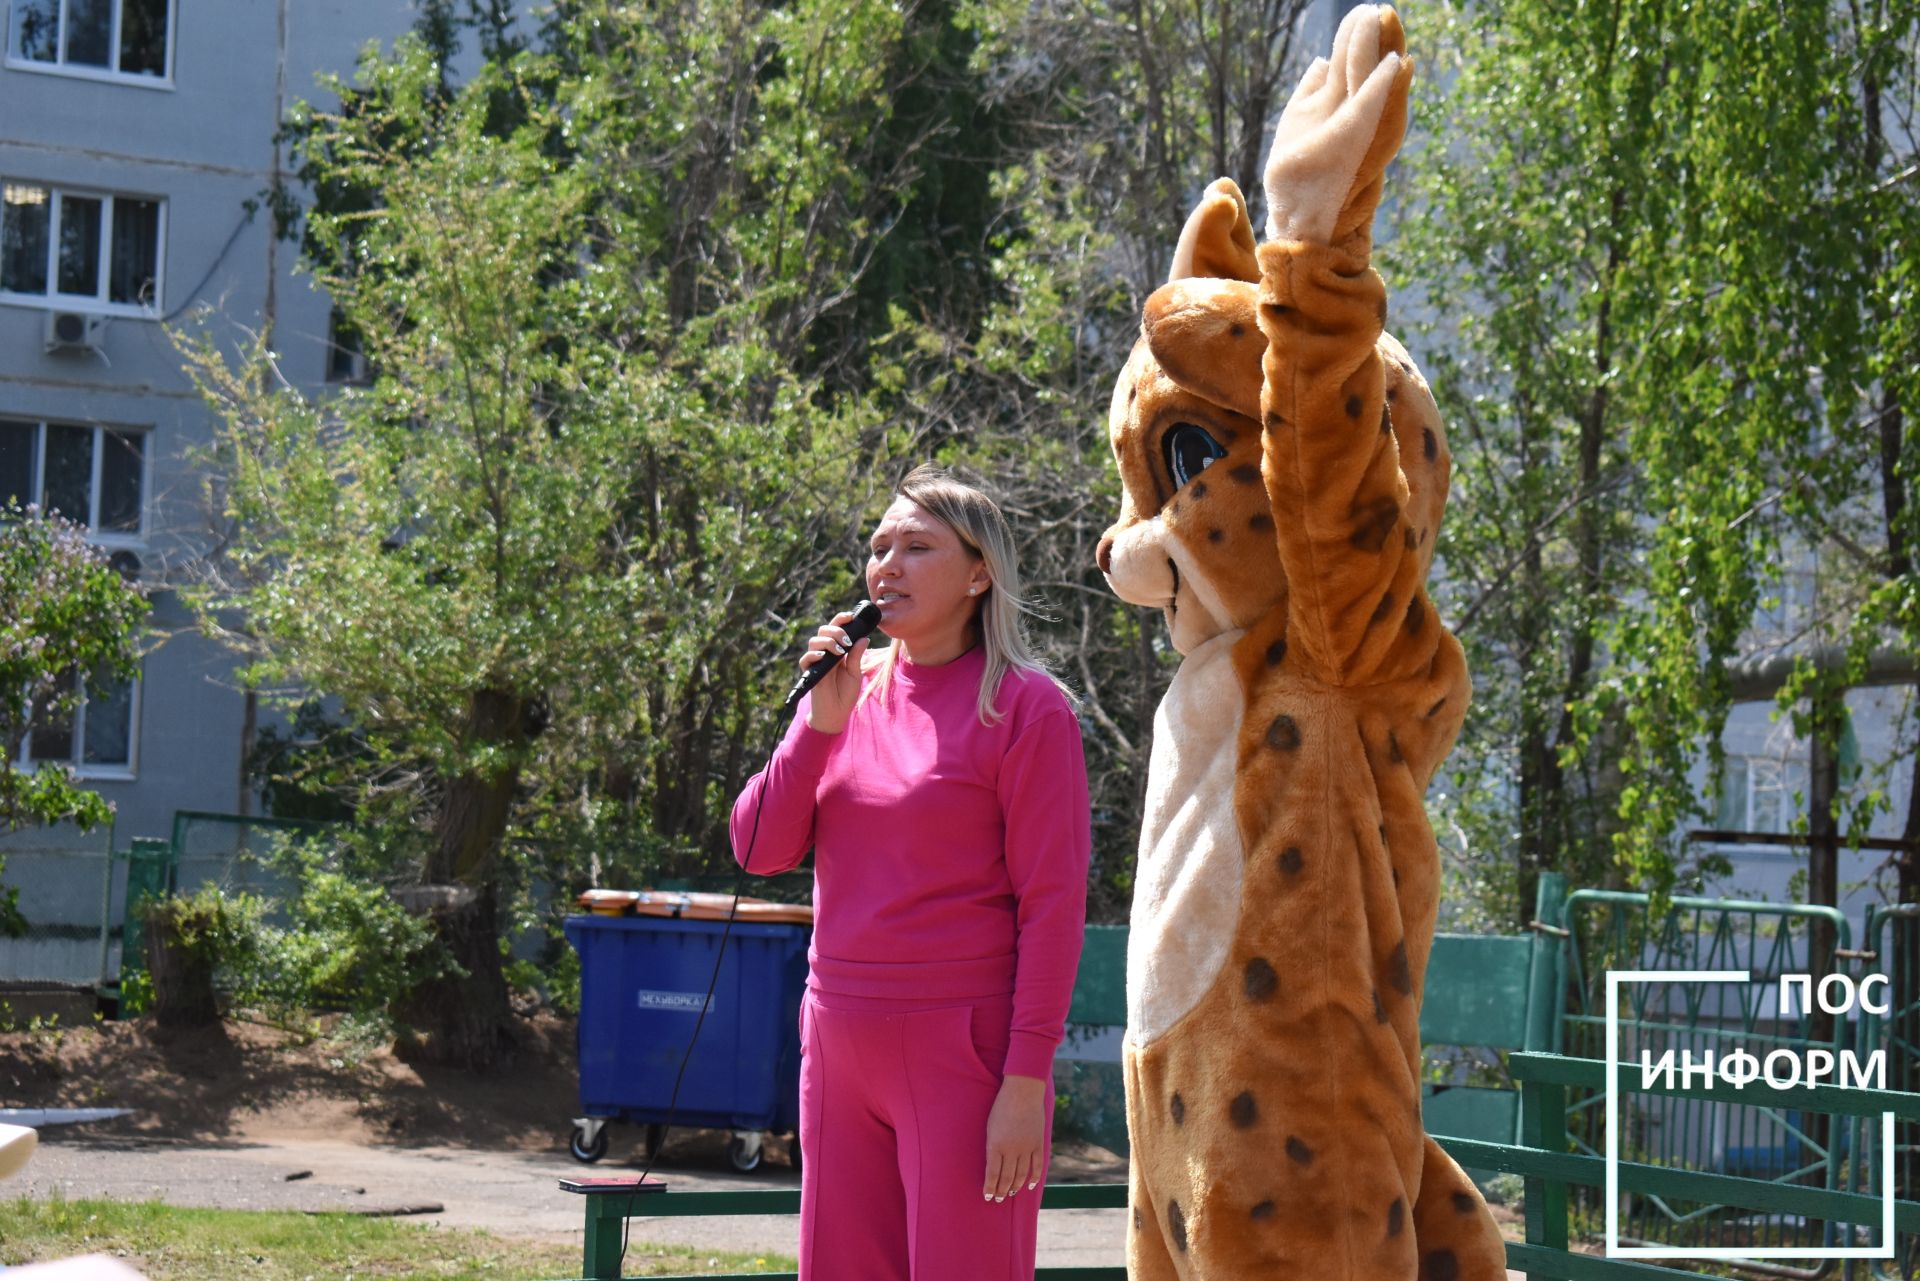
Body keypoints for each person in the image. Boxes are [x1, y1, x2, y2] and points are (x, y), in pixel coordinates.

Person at [730, 463, 1092, 1281]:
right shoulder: (846, 697)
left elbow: (1053, 906)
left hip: (963, 1050)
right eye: (879, 545)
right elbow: (757, 849)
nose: (886, 564)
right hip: (838, 1038)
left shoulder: (1028, 709)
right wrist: (816, 726)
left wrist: (1026, 1080)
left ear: (978, 573)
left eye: (916, 546)